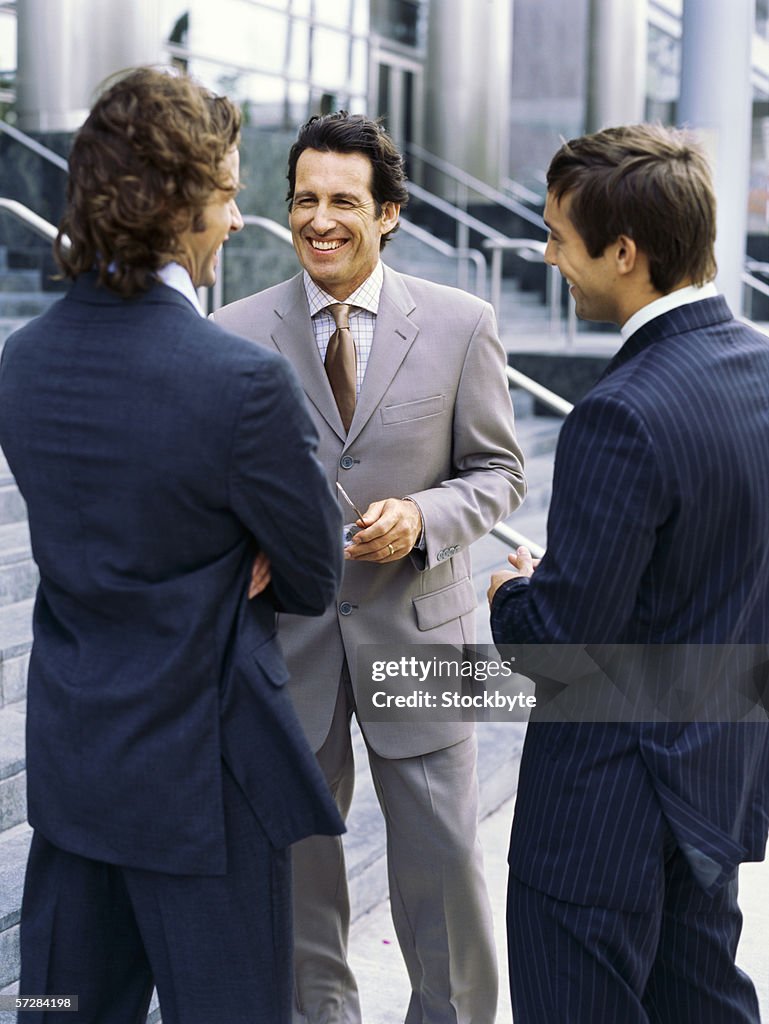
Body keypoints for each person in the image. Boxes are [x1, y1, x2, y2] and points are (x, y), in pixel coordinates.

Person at [0, 67, 346, 1024]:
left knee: (65, 1011)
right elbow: (315, 572)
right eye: (229, 193)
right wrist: (244, 551)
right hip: (209, 793)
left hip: (76, 781)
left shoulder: (21, 363)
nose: (236, 220)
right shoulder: (239, 383)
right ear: (175, 203)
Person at [214, 111, 525, 1024]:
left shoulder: (463, 323)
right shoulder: (233, 331)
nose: (320, 219)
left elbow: (500, 471)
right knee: (300, 876)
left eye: (343, 201)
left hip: (420, 629)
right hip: (288, 643)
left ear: (387, 213)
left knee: (444, 868)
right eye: (304, 199)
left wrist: (423, 515)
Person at [488, 124, 769, 1023]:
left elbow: (560, 646)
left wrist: (513, 595)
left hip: (600, 819)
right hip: (714, 785)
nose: (547, 257)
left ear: (623, 252)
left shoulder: (619, 413)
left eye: (559, 238)